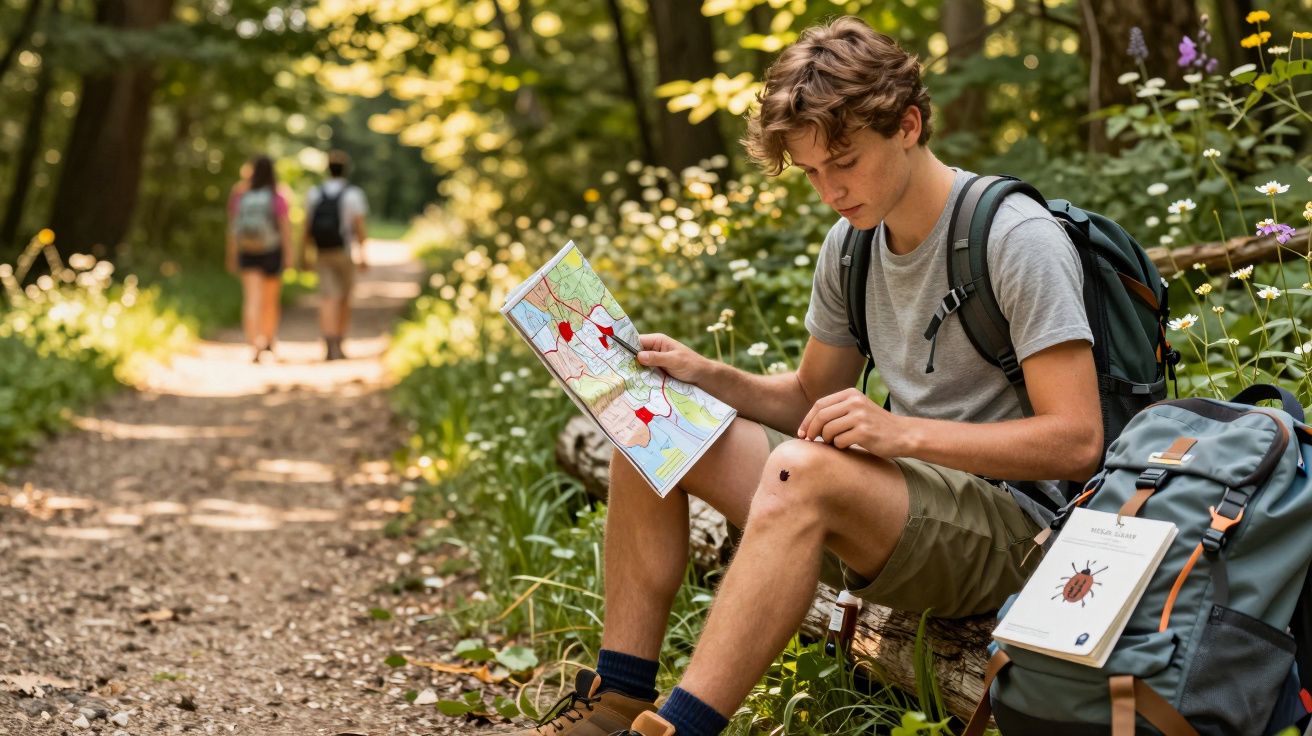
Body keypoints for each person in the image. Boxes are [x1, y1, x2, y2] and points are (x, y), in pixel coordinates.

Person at [512, 16, 1104, 736]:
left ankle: (684, 728)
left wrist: (898, 433)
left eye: (844, 162)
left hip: (1018, 534)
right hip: (902, 506)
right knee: (647, 426)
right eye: (812, 172)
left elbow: (1077, 442)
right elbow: (806, 399)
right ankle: (616, 702)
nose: (831, 191)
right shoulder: (851, 245)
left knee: (802, 472)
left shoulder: (1016, 238)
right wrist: (703, 374)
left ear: (909, 125)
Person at [302, 150, 368, 361]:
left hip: (322, 252)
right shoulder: (353, 194)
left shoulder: (314, 193)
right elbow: (359, 227)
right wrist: (363, 254)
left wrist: (304, 253)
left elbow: (307, 227)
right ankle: (339, 340)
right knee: (344, 298)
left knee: (327, 297)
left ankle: (328, 342)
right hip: (344, 251)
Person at [226, 156, 293, 363]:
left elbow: (233, 228)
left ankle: (253, 345)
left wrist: (231, 255)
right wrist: (289, 255)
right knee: (270, 301)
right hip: (271, 251)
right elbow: (284, 228)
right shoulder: (277, 195)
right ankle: (268, 340)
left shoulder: (240, 194)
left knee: (251, 299)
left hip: (247, 251)